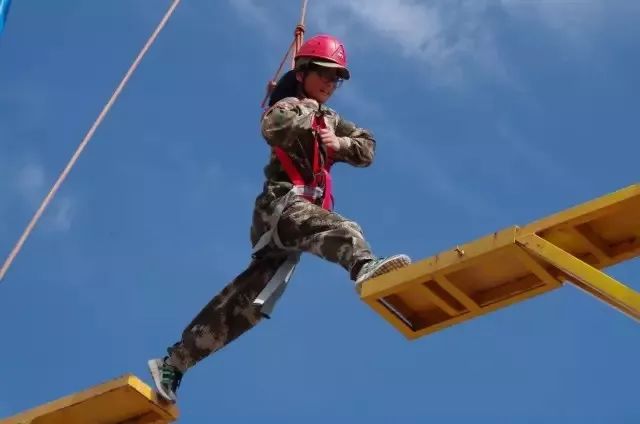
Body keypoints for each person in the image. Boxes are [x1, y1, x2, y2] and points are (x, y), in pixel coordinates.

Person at [147, 34, 411, 403]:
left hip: (295, 223)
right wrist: (308, 113)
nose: (330, 84)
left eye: (336, 79)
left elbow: (367, 147)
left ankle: (176, 362)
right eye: (324, 74)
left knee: (248, 304)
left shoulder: (332, 120)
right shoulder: (288, 108)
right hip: (282, 207)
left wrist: (341, 143)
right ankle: (364, 265)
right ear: (302, 73)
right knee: (342, 229)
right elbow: (273, 126)